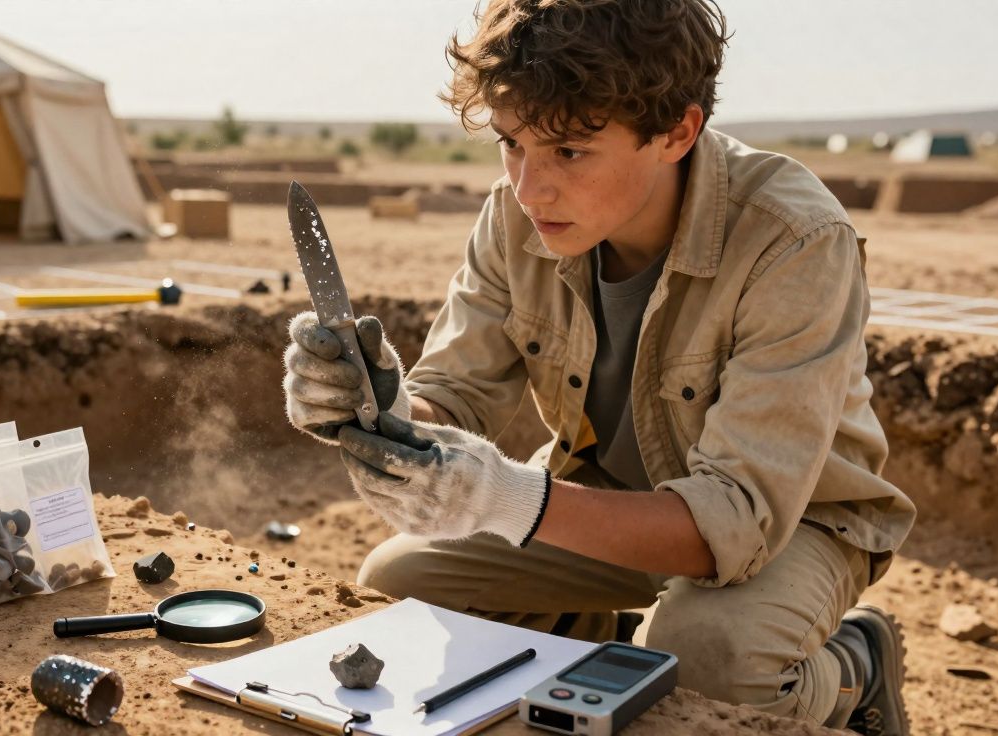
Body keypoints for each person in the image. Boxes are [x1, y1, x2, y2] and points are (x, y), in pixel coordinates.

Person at [281, 0, 916, 732]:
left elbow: (734, 521)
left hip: (791, 526)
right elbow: (454, 396)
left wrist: (503, 496)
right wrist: (380, 405)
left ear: (676, 131)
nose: (529, 188)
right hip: (604, 504)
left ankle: (855, 668)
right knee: (403, 585)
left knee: (708, 658)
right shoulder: (518, 212)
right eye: (512, 143)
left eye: (571, 152)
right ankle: (613, 652)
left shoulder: (795, 239)